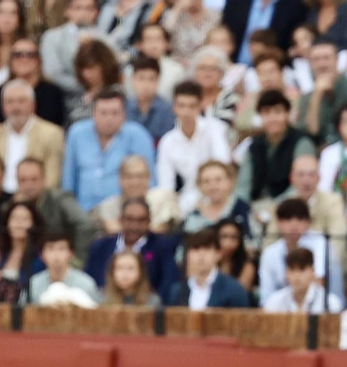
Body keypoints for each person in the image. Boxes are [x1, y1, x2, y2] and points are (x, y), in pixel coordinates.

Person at [63, 88, 155, 211]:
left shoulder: (139, 135)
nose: (109, 119)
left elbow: (150, 181)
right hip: (84, 212)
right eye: (103, 113)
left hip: (122, 213)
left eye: (114, 113)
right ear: (93, 113)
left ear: (124, 114)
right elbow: (68, 181)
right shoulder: (77, 133)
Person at [156, 81, 232, 215]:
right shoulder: (167, 142)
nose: (186, 112)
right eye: (181, 106)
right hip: (186, 202)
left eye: (192, 106)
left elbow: (222, 168)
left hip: (217, 195)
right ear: (174, 107)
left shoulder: (215, 129)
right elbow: (166, 185)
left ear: (200, 106)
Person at [0, 80, 65, 197]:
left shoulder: (52, 134)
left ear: (33, 105)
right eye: (10, 102)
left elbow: (52, 179)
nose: (16, 107)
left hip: (36, 201)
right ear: (3, 107)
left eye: (21, 101)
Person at [85, 196, 178, 292]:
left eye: (141, 220)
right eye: (129, 219)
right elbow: (90, 281)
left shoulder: (163, 246)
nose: (134, 226)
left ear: (149, 221)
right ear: (120, 220)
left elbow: (168, 283)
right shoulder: (100, 247)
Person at [258, 197, 335, 300]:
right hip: (280, 310)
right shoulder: (270, 253)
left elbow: (319, 283)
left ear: (308, 223)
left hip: (319, 307)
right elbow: (266, 295)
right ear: (278, 223)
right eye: (288, 219)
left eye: (299, 219)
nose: (294, 225)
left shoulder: (320, 243)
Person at [0, 37, 67, 127]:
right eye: (17, 55)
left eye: (31, 55)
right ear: (10, 61)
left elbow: (54, 131)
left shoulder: (53, 94)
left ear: (39, 60)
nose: (24, 59)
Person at [168, 227, 253, 308]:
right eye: (196, 249)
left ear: (218, 254)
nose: (201, 255)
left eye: (207, 249)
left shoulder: (234, 289)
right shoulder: (178, 291)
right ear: (188, 254)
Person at [261, 245, 344, 313]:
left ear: (312, 271)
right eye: (293, 270)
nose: (297, 276)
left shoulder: (330, 304)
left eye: (302, 270)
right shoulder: (274, 302)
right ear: (286, 273)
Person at [27, 229, 101, 304]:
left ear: (71, 254)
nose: (56, 255)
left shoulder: (86, 283)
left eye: (61, 249)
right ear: (41, 255)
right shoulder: (33, 284)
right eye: (51, 249)